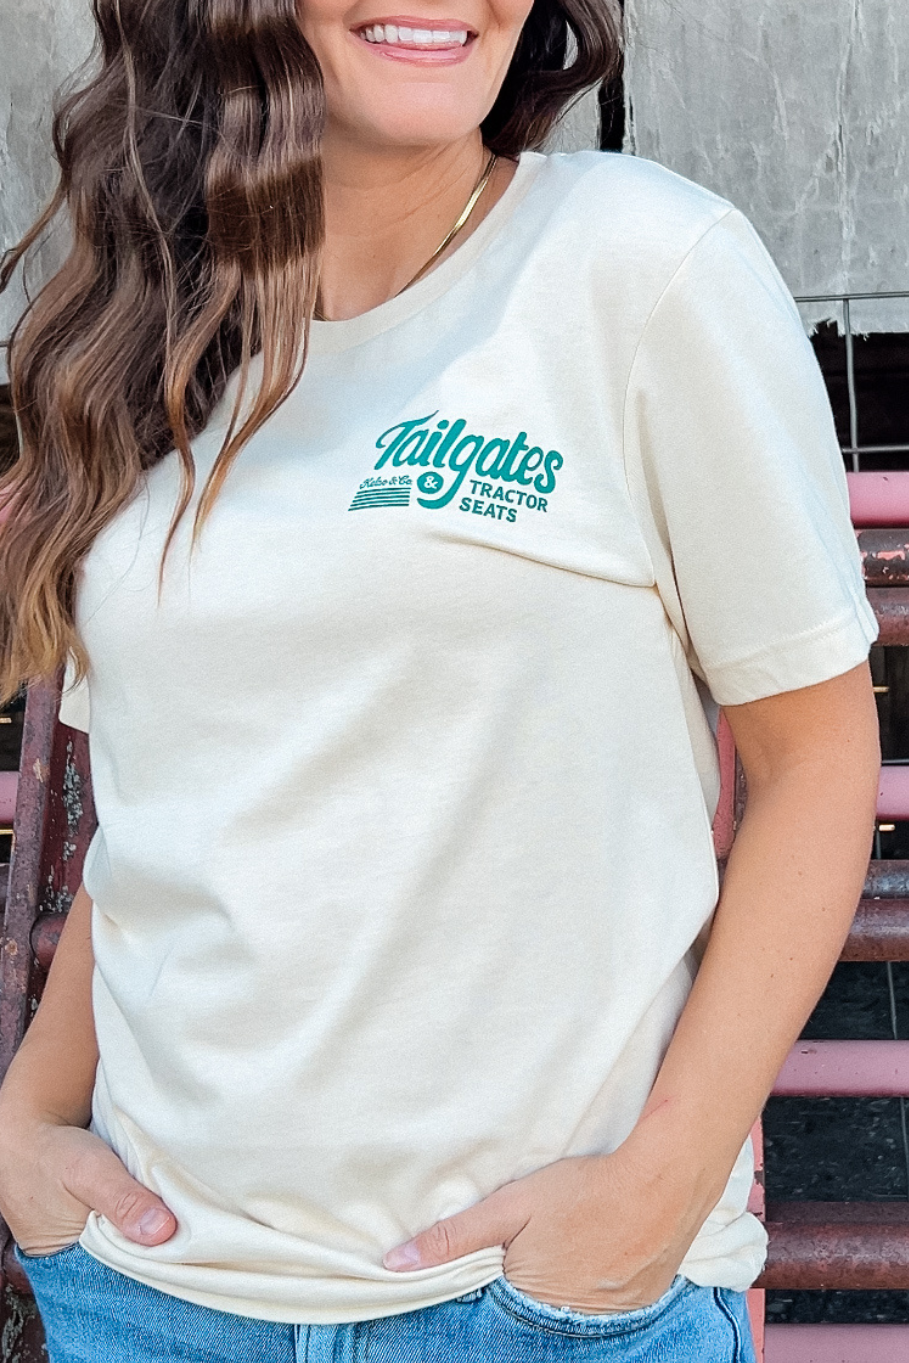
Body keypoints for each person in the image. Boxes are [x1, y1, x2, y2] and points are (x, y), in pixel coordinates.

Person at [0, 0, 881, 1357]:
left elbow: (815, 764)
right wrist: (27, 1126)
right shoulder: (147, 331)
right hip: (152, 1296)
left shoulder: (641, 270)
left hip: (538, 1312)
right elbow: (171, 798)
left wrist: (655, 1193)